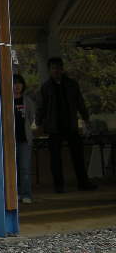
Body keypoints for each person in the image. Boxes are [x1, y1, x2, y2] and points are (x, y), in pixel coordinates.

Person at [37, 57, 95, 192]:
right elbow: (42, 107)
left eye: (58, 68)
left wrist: (86, 117)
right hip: (54, 127)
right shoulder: (46, 87)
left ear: (62, 69)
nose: (56, 71)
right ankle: (59, 186)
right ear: (49, 70)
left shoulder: (72, 85)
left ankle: (83, 183)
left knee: (78, 156)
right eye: (53, 68)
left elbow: (80, 102)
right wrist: (39, 123)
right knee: (55, 159)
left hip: (70, 124)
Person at [13, 74, 37, 204]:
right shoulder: (5, 101)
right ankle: (15, 193)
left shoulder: (27, 101)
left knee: (25, 168)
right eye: (14, 83)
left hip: (25, 140)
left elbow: (31, 117)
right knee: (13, 168)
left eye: (19, 83)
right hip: (11, 141)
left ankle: (26, 194)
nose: (17, 86)